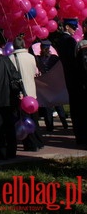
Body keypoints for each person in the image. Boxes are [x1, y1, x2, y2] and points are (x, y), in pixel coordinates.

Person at [54, 18, 86, 146]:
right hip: (76, 79)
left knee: (75, 109)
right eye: (73, 27)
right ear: (67, 27)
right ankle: (82, 135)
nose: (75, 29)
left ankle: (79, 134)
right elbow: (75, 61)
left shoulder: (61, 40)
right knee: (80, 109)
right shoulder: (69, 41)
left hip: (70, 78)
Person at [9, 36, 44, 152]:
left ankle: (30, 143)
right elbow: (35, 72)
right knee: (34, 118)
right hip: (32, 92)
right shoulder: (30, 57)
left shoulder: (11, 58)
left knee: (24, 120)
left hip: (20, 94)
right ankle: (39, 141)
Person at [35, 40, 68, 131]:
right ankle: (64, 123)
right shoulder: (54, 58)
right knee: (57, 104)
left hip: (45, 83)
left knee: (48, 105)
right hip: (54, 83)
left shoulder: (38, 58)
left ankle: (50, 126)